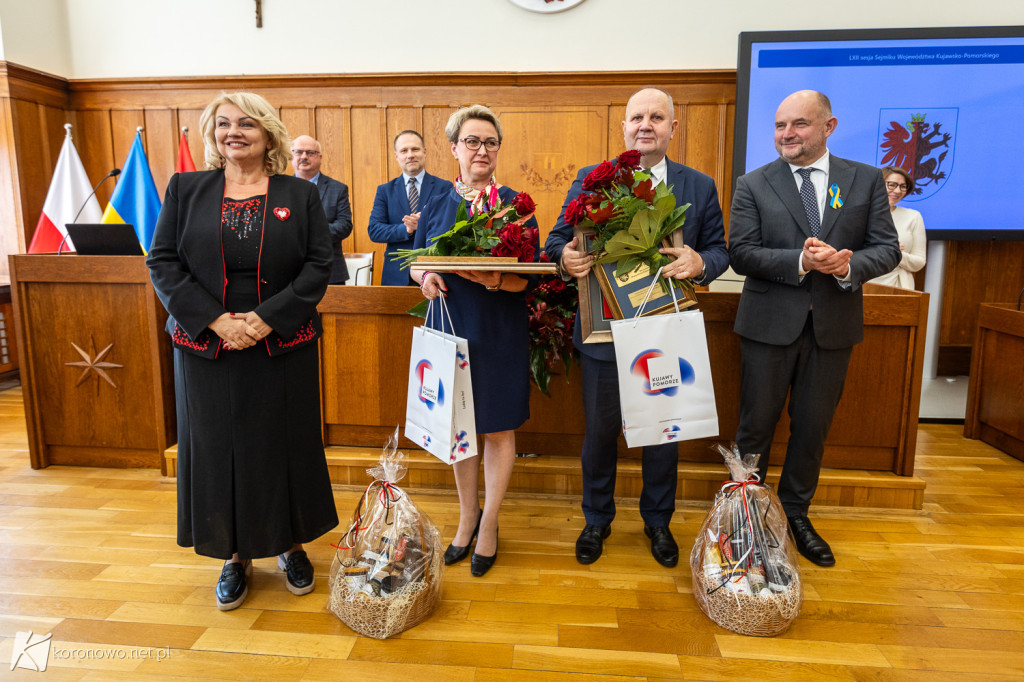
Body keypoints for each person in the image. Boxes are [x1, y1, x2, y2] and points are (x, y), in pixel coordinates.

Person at [147, 92, 339, 610]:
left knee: (284, 446)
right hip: (206, 346)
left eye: (247, 123)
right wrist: (215, 320)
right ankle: (235, 556)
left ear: (268, 134)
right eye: (224, 123)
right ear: (213, 133)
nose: (235, 132)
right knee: (217, 451)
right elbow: (162, 261)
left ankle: (291, 545)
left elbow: (319, 266)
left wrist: (263, 319)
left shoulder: (299, 195)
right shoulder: (185, 189)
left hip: (281, 343)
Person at [545, 87, 729, 568]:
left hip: (666, 332)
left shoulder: (699, 185)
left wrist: (699, 261)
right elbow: (556, 240)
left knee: (662, 433)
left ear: (673, 127)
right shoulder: (592, 179)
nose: (644, 124)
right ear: (624, 127)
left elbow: (719, 250)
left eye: (656, 117)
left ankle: (658, 522)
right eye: (636, 117)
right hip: (604, 332)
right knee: (600, 434)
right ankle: (596, 519)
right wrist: (565, 257)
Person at [729, 90, 901, 567]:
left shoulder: (864, 181)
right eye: (781, 125)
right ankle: (744, 519)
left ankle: (796, 516)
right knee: (754, 428)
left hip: (833, 327)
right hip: (767, 326)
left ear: (829, 126)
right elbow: (741, 252)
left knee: (812, 429)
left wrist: (846, 267)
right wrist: (801, 261)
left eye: (800, 124)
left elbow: (886, 249)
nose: (787, 134)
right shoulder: (753, 183)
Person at [410, 105, 539, 577]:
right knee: (460, 430)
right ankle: (466, 517)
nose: (481, 150)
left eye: (490, 142)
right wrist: (424, 276)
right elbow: (415, 260)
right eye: (472, 141)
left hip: (500, 326)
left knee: (498, 428)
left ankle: (490, 524)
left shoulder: (517, 206)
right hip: (450, 326)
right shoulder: (437, 205)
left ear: (498, 149)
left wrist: (489, 279)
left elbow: (530, 279)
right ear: (453, 149)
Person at [369, 130, 452, 285]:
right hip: (395, 275)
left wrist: (423, 225)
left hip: (434, 273)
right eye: (404, 150)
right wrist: (406, 229)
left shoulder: (444, 187)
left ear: (424, 152)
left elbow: (451, 229)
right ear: (396, 156)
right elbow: (374, 230)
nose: (410, 155)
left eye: (415, 149)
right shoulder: (385, 190)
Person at [291, 134, 353, 284]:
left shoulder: (338, 189)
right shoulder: (279, 188)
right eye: (298, 152)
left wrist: (311, 234)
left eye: (310, 153)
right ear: (291, 156)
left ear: (320, 157)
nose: (304, 157)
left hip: (330, 271)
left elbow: (344, 226)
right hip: (290, 270)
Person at [868, 166, 926, 289]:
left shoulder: (913, 216)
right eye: (892, 185)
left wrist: (895, 253)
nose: (898, 191)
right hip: (864, 285)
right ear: (878, 184)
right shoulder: (860, 214)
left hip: (899, 287)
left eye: (903, 186)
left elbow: (919, 262)